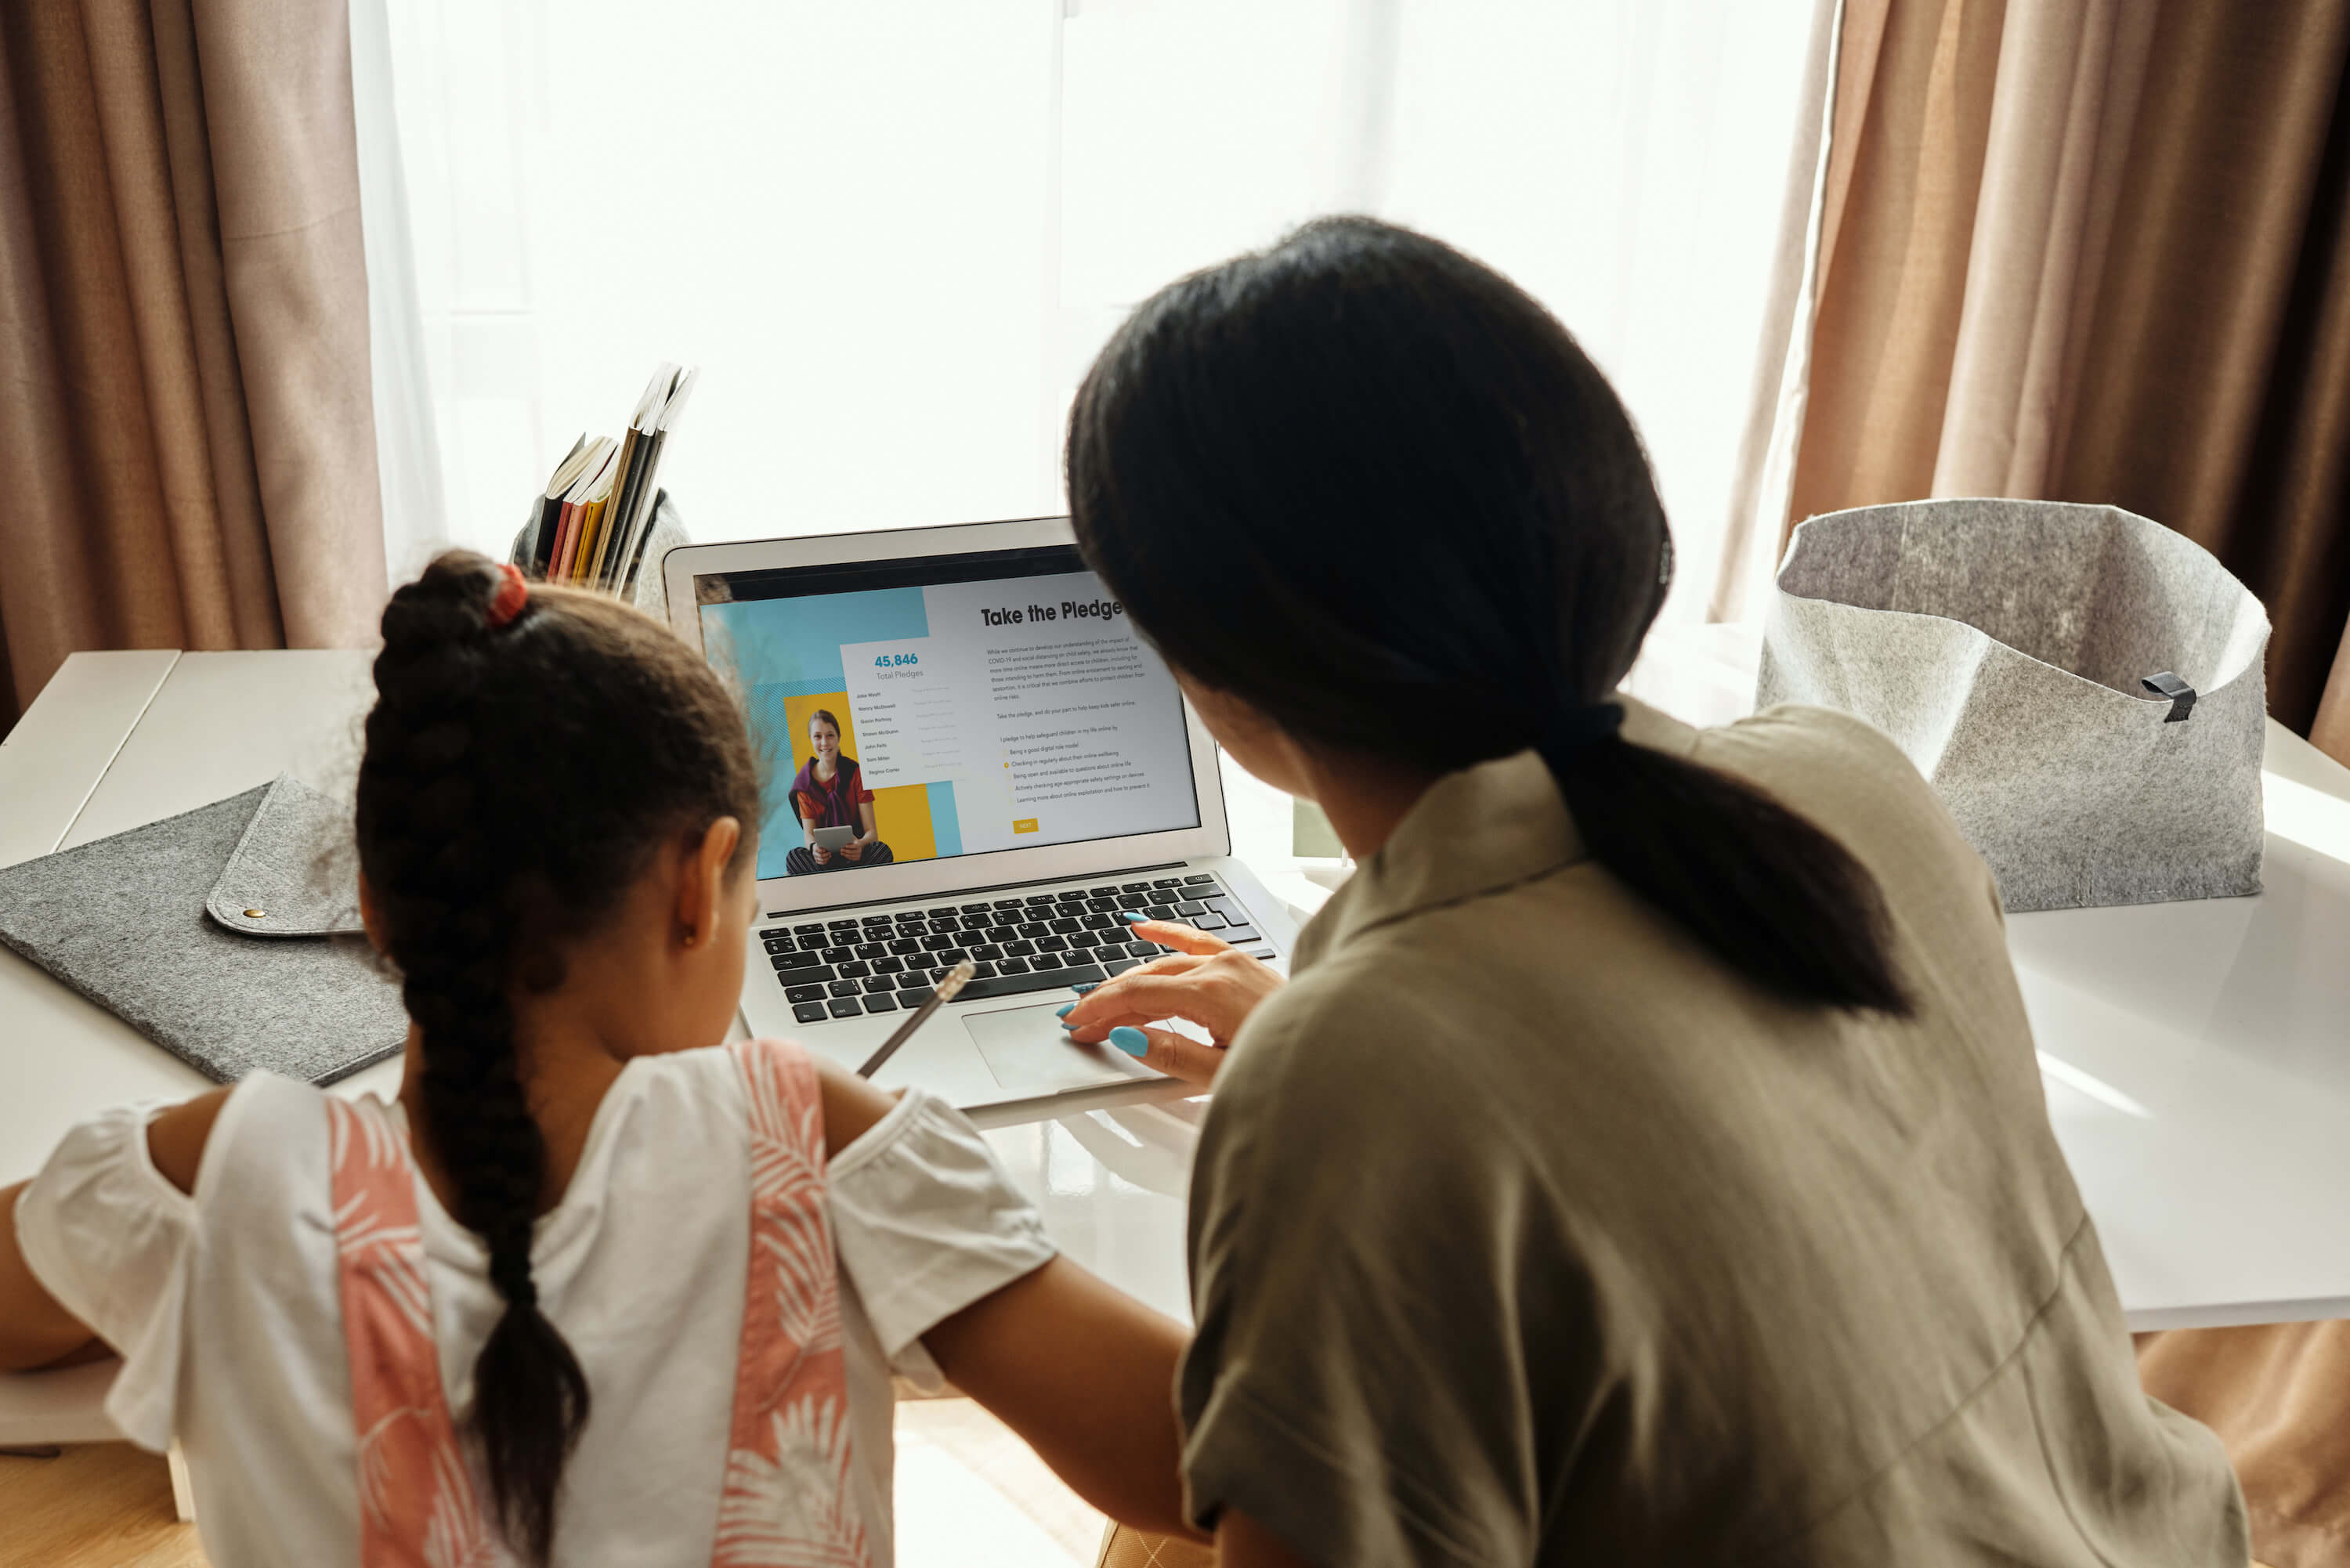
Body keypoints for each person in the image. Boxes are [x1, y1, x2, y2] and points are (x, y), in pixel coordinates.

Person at [1054, 218, 2248, 1566]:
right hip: (2145, 1539)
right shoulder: (1848, 783)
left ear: (1209, 671)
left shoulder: (1363, 1067)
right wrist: (1366, 1038)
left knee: (1152, 1545)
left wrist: (921, 1216)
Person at [0, 555, 1195, 1566]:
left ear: (369, 902)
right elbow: (1204, 1457)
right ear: (696, 885)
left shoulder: (223, 1170)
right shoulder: (809, 1138)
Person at [785, 709, 893, 874]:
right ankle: (851, 879)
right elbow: (809, 835)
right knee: (794, 857)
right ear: (811, 739)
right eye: (817, 736)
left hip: (855, 855)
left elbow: (872, 833)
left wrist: (860, 845)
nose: (824, 743)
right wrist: (815, 849)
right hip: (823, 861)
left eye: (830, 735)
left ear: (838, 738)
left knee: (881, 850)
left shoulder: (855, 773)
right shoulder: (805, 784)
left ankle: (835, 881)